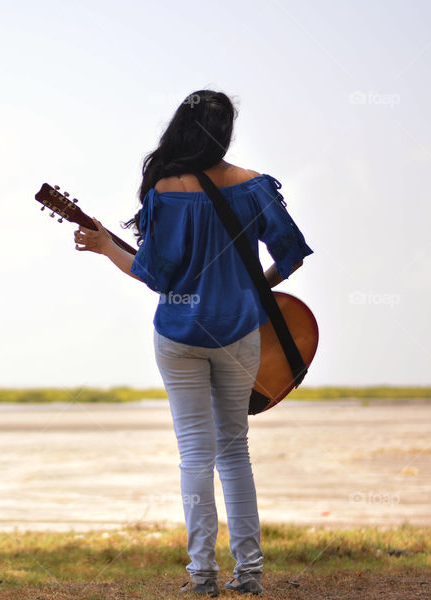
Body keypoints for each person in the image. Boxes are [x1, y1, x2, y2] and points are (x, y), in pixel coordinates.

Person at [73, 89, 313, 596]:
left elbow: (156, 277)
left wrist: (102, 246)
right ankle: (249, 573)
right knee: (234, 453)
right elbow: (292, 252)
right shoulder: (255, 186)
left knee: (194, 456)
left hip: (179, 337)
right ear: (226, 131)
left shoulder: (165, 189)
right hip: (238, 333)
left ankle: (201, 576)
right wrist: (252, 286)